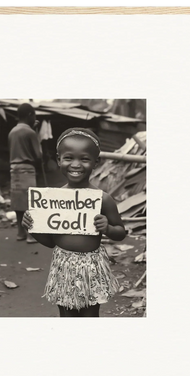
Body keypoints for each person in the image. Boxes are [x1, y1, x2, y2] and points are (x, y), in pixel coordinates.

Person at [22, 127, 126, 317]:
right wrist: (32, 228)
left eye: (84, 159)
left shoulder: (102, 199)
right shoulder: (52, 200)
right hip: (63, 266)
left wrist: (109, 228)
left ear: (96, 162)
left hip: (92, 268)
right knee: (67, 314)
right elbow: (51, 242)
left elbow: (121, 232)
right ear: (59, 159)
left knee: (90, 314)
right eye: (69, 158)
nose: (76, 164)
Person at [8, 103, 42, 243]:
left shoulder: (12, 132)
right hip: (27, 169)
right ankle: (31, 235)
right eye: (34, 115)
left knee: (18, 202)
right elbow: (38, 155)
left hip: (14, 169)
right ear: (30, 115)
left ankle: (20, 233)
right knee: (30, 202)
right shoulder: (30, 133)